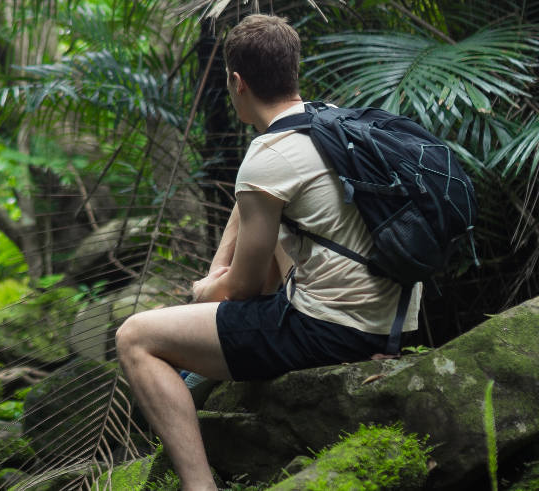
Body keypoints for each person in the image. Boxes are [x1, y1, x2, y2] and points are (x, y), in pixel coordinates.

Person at [113, 14, 421, 491]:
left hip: (335, 330)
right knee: (257, 200)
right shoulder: (333, 123)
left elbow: (241, 288)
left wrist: (207, 287)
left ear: (237, 83)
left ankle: (200, 486)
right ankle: (198, 378)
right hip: (394, 318)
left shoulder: (271, 154)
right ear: (293, 71)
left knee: (135, 336)